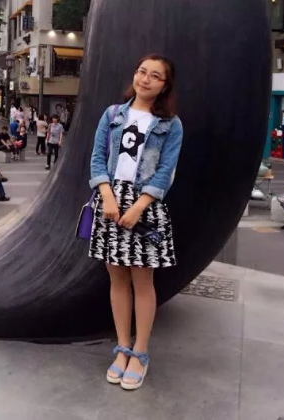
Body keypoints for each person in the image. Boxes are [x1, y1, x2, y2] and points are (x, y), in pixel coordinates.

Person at [89, 54, 183, 391]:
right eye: (142, 72)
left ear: (164, 85)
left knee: (143, 281)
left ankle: (140, 353)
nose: (145, 79)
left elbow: (165, 171)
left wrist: (139, 206)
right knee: (116, 279)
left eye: (155, 75)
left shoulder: (170, 124)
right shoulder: (113, 114)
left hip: (146, 205)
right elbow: (97, 158)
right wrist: (107, 196)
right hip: (110, 203)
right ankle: (122, 348)